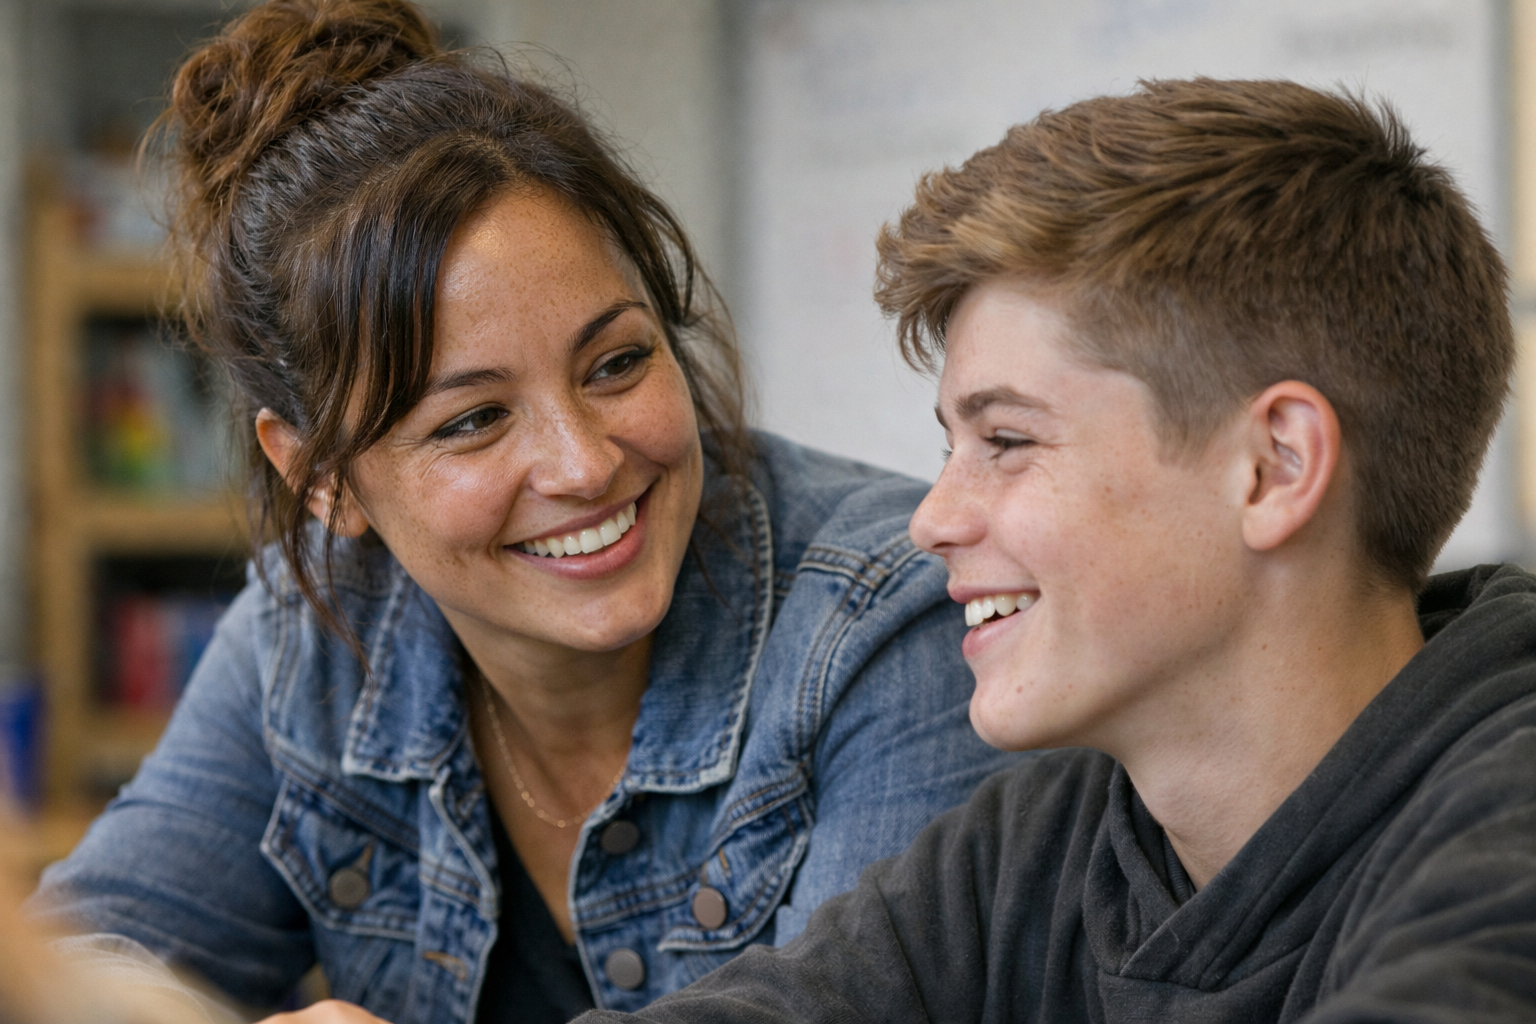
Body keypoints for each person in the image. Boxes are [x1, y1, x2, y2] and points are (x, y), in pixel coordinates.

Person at [27, 1, 1020, 1021]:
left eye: (619, 361)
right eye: (473, 420)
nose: (583, 463)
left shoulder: (896, 615)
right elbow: (74, 964)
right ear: (319, 477)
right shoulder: (318, 629)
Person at [569, 78, 1536, 1023]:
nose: (931, 520)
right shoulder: (1042, 843)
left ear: (1274, 466)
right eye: (951, 447)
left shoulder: (1509, 842)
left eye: (1008, 442)